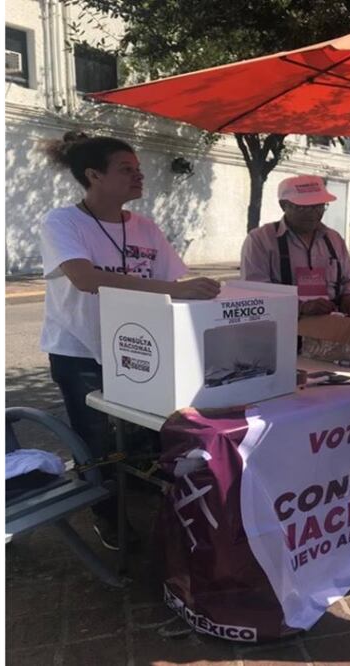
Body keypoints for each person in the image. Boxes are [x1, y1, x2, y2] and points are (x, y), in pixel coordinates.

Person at [40, 131, 221, 550]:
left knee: (146, 428)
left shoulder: (145, 227)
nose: (139, 176)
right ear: (93, 175)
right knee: (95, 437)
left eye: (139, 169)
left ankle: (140, 486)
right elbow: (86, 279)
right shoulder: (62, 222)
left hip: (139, 348)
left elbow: (172, 281)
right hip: (80, 349)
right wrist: (175, 290)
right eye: (126, 169)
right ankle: (105, 511)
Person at [240, 175, 350, 318]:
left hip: (331, 326)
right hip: (284, 326)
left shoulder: (334, 239)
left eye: (319, 206)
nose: (313, 212)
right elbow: (255, 291)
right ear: (283, 205)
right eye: (303, 207)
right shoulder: (260, 240)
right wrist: (301, 307)